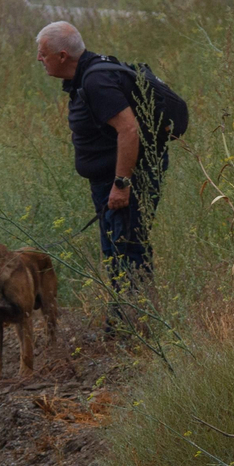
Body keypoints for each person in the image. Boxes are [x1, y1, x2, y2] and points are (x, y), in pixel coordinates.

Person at [35, 20, 167, 328]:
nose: (39, 59)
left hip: (126, 180)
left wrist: (121, 184)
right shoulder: (88, 75)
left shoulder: (96, 81)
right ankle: (125, 318)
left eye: (43, 53)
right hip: (112, 180)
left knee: (127, 247)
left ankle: (138, 323)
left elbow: (129, 129)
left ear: (62, 56)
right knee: (116, 248)